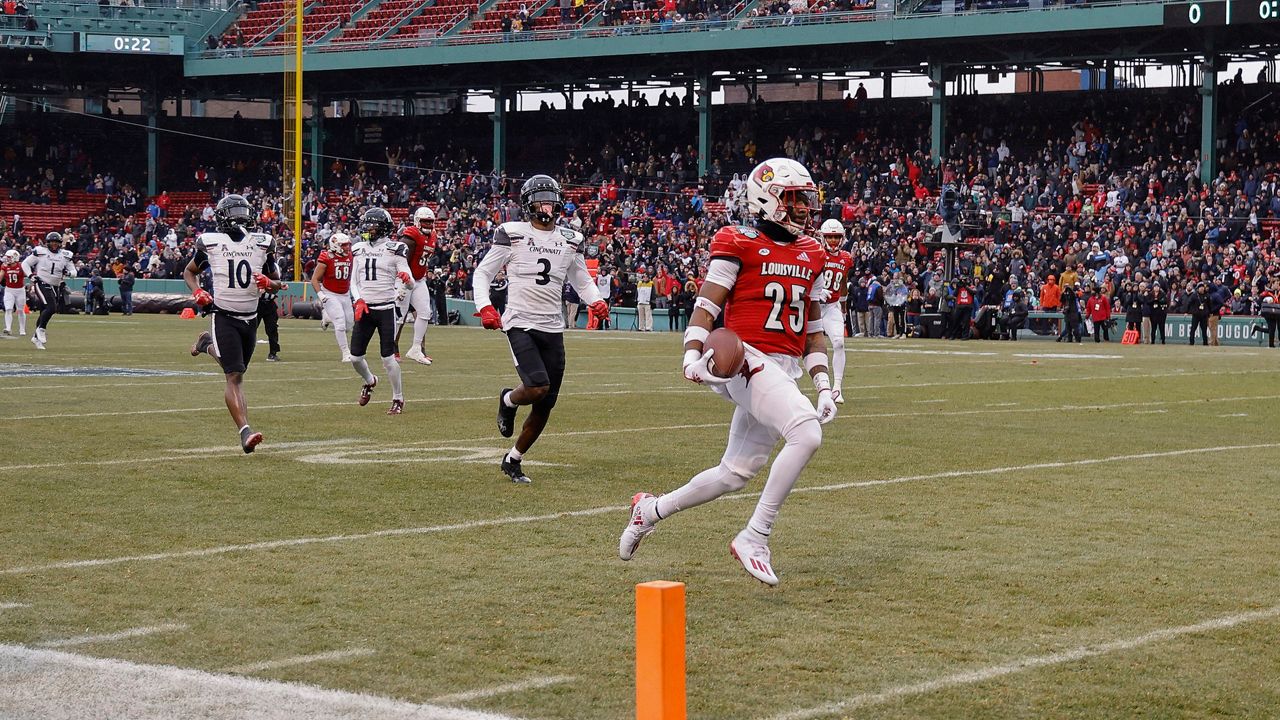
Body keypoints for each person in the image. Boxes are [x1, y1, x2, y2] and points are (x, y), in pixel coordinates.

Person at [618, 158, 837, 587]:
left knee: (733, 473)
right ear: (766, 198)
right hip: (743, 358)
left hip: (781, 368)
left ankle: (650, 510)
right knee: (806, 432)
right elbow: (708, 302)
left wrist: (824, 384)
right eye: (794, 199)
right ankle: (755, 536)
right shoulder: (738, 240)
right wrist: (692, 353)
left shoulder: (813, 252)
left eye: (806, 199)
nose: (804, 208)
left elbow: (811, 331)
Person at [471, 174, 609, 484]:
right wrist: (486, 306)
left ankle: (513, 458)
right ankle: (507, 400)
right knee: (536, 386)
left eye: (550, 198)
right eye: (540, 198)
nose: (546, 204)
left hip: (552, 326)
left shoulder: (570, 238)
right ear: (528, 204)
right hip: (520, 322)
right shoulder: (512, 234)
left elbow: (581, 278)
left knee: (546, 403)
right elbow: (482, 274)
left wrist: (595, 301)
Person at [184, 194, 280, 453]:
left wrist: (269, 283)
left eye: (243, 210)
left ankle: (206, 344)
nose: (240, 215)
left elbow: (279, 281)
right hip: (223, 314)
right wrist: (198, 292)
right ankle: (245, 432)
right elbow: (189, 271)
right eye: (234, 210)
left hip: (251, 316)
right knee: (234, 375)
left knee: (238, 369)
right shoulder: (211, 243)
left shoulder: (262, 242)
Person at [348, 207, 414, 415]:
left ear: (383, 227)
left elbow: (410, 281)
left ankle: (398, 398)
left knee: (388, 357)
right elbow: (354, 280)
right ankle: (370, 380)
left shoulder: (396, 248)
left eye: (372, 224)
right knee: (355, 357)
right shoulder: (358, 248)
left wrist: (406, 280)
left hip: (386, 308)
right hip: (365, 308)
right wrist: (358, 300)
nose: (368, 228)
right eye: (366, 223)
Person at [815, 219, 852, 402]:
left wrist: (843, 306)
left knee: (838, 343)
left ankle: (836, 387)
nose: (833, 241)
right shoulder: (815, 253)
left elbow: (843, 282)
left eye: (836, 237)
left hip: (831, 307)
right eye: (829, 237)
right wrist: (816, 291)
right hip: (812, 307)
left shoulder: (846, 257)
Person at [22, 231, 76, 350]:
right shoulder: (40, 252)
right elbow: (25, 264)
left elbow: (74, 272)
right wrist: (31, 275)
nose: (54, 245)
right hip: (41, 283)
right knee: (52, 307)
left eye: (56, 242)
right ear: (48, 243)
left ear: (60, 243)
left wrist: (68, 272)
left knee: (44, 311)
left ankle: (36, 338)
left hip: (55, 286)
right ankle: (41, 329)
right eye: (52, 242)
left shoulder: (65, 255)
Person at [397, 206, 437, 365]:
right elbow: (400, 260)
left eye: (430, 222)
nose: (428, 225)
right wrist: (402, 280)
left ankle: (416, 348)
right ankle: (391, 349)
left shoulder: (433, 236)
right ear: (417, 222)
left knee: (425, 312)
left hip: (419, 280)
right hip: (404, 279)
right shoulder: (410, 236)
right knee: (399, 317)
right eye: (425, 221)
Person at [310, 232, 355, 361]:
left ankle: (327, 317)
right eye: (344, 245)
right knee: (340, 323)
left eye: (348, 244)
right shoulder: (326, 257)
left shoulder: (351, 256)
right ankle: (346, 353)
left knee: (348, 326)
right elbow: (314, 279)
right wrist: (321, 295)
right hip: (330, 293)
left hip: (345, 294)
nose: (347, 247)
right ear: (335, 245)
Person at [2, 249, 26, 336]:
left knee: (20, 310)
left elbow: (28, 274)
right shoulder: (4, 266)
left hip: (20, 290)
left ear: (14, 257)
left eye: (9, 257)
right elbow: (0, 277)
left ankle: (22, 329)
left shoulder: (21, 266)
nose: (7, 259)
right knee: (8, 309)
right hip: (9, 290)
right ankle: (8, 328)